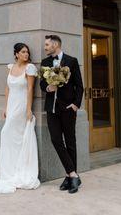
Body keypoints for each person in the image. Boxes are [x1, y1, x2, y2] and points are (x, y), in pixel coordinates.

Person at [0, 43, 40, 194]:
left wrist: (29, 109)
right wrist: (5, 107)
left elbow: (30, 89)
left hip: (22, 106)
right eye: (23, 52)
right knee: (8, 137)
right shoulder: (11, 68)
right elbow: (7, 87)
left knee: (9, 134)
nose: (26, 54)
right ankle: (8, 172)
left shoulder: (30, 68)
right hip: (11, 105)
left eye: (27, 52)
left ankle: (18, 170)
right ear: (16, 54)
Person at [40, 35, 84, 194]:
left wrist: (76, 105)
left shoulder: (71, 61)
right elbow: (42, 83)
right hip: (51, 108)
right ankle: (74, 174)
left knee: (70, 142)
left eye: (46, 44)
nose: (44, 47)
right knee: (56, 139)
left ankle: (69, 177)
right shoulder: (45, 63)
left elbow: (79, 86)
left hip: (68, 108)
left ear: (55, 45)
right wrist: (47, 88)